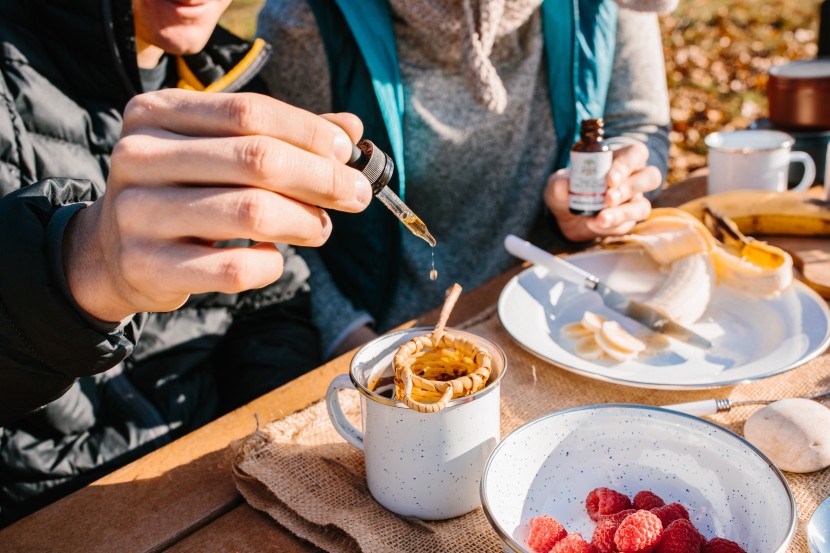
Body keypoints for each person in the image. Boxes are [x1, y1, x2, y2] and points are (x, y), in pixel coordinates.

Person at [0, 0, 370, 525]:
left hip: (217, 486)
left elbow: (270, 308)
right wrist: (73, 270)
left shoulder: (232, 80)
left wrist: (274, 453)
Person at [257, 0, 674, 359]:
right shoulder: (307, 18)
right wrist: (347, 334)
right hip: (391, 339)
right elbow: (277, 210)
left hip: (566, 315)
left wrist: (613, 192)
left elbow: (639, 125)